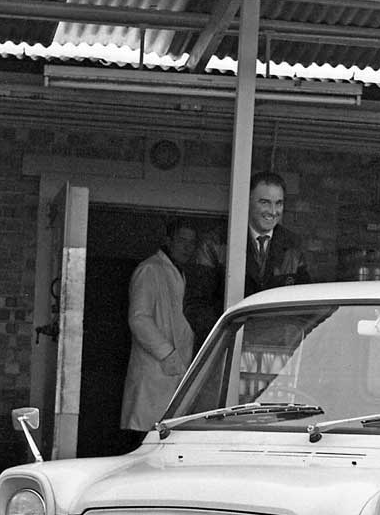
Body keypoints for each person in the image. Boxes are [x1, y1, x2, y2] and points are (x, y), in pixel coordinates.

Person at [185, 170, 310, 347]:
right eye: (265, 202)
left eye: (279, 203)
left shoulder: (293, 245)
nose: (273, 211)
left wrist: (290, 338)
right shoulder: (216, 242)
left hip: (275, 354)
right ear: (248, 201)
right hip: (225, 351)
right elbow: (196, 305)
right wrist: (227, 338)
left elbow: (305, 307)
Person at [119, 219, 198, 435]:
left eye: (192, 243)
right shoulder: (149, 270)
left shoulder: (178, 272)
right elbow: (139, 319)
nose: (187, 247)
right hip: (154, 374)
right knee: (144, 435)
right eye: (182, 240)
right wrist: (168, 354)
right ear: (168, 240)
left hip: (172, 373)